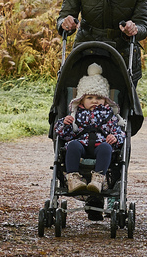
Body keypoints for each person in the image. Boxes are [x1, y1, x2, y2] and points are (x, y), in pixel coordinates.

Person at [52, 64, 125, 195]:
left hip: (100, 146)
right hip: (81, 145)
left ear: (106, 100)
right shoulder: (76, 114)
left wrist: (115, 137)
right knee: (72, 145)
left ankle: (98, 179)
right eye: (89, 98)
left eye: (99, 98)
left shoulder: (110, 116)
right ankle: (73, 179)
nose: (94, 101)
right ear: (81, 100)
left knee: (106, 148)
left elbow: (119, 132)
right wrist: (65, 124)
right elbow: (65, 135)